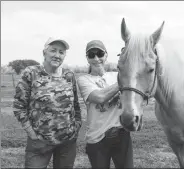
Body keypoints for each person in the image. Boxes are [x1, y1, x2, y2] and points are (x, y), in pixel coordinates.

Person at [13, 37, 82, 168]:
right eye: (53, 51)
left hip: (67, 142)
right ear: (44, 52)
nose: (57, 55)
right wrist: (30, 131)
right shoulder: (31, 73)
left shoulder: (69, 75)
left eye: (61, 52)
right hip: (39, 142)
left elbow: (76, 105)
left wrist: (77, 125)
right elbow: (19, 106)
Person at [77, 40, 133, 168]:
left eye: (100, 53)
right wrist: (123, 81)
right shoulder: (84, 79)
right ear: (87, 58)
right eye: (91, 55)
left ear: (106, 55)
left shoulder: (116, 75)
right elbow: (100, 97)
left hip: (122, 134)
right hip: (97, 138)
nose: (96, 58)